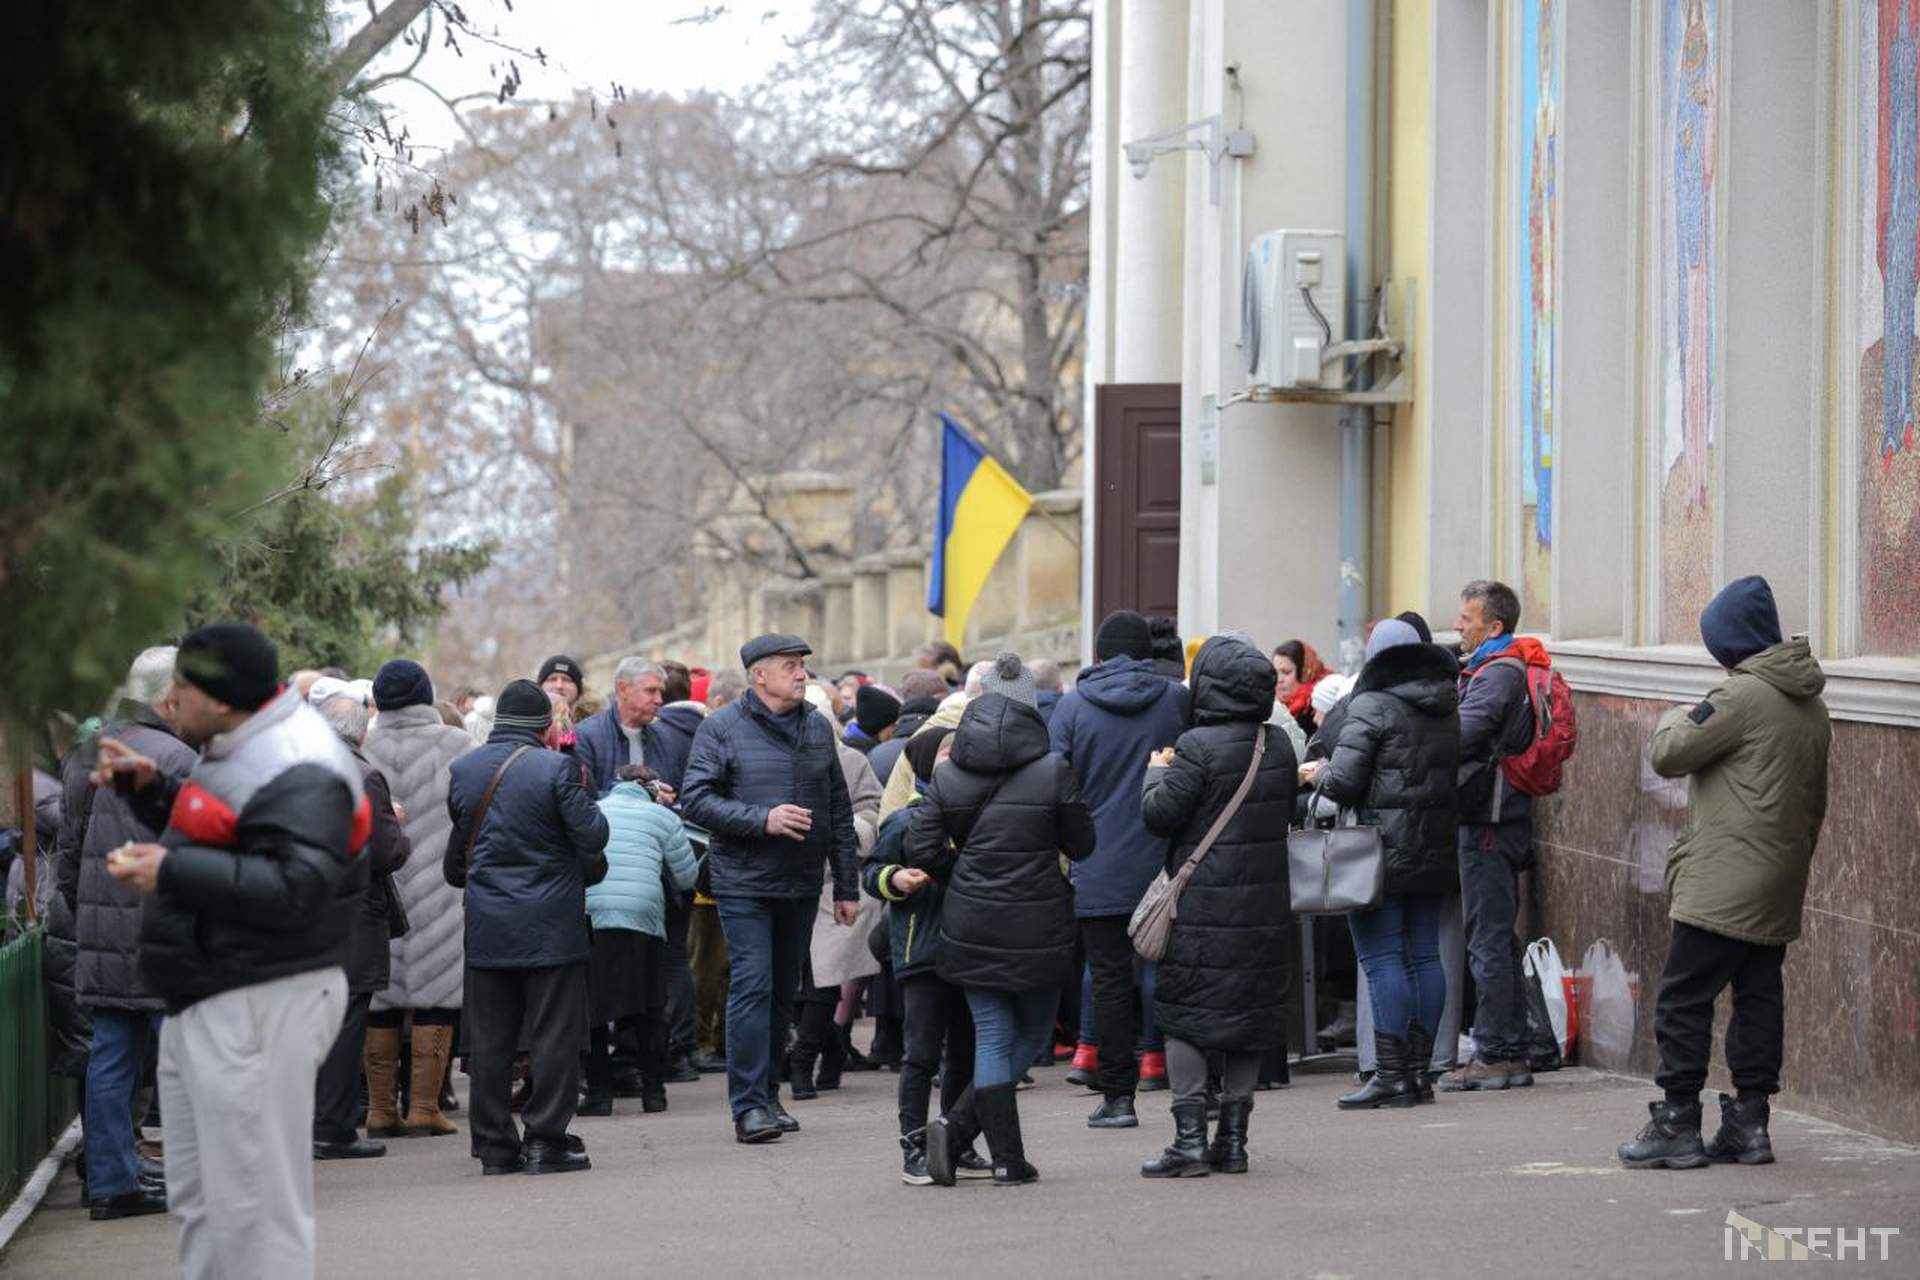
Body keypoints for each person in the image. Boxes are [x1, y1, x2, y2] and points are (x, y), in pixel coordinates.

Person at [99, 623, 363, 1279]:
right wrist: (151, 791)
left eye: (180, 688)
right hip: (219, 994)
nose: (170, 702)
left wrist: (171, 872)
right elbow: (235, 835)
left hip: (261, 997)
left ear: (216, 697)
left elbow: (298, 887)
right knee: (207, 1204)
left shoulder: (299, 758)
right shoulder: (239, 744)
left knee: (254, 1213)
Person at [1618, 576, 1831, 1170]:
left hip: (1725, 879)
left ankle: (1677, 1123)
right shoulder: (1810, 703)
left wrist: (1672, 715)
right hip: (1778, 876)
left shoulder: (1741, 697)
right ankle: (1750, 1123)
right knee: (1758, 998)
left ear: (1729, 644)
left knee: (1683, 998)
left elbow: (1670, 753)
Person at [906, 656, 1096, 1186]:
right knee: (1030, 1037)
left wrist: (961, 870)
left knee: (991, 1034)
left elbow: (922, 847)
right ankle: (971, 1135)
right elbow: (1082, 843)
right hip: (1039, 920)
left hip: (970, 919)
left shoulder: (947, 776)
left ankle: (992, 1148)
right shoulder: (1053, 770)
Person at [679, 634, 860, 1145]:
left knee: (784, 992)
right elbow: (695, 800)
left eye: (803, 665)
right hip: (743, 880)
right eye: (790, 666)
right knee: (753, 986)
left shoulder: (818, 728)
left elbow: (839, 812)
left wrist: (847, 885)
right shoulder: (721, 729)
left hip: (801, 882)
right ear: (760, 675)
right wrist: (763, 820)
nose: (802, 674)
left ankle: (769, 1093)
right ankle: (749, 1107)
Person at [1136, 635, 1298, 1177]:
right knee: (1248, 1018)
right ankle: (1233, 1141)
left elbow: (1160, 815)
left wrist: (1158, 771)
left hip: (1203, 906)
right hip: (1264, 905)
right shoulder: (1276, 746)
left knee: (1185, 1016)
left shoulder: (1196, 746)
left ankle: (1187, 1142)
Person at [445, 680, 609, 1175]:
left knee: (491, 1040)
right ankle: (545, 1140)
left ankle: (495, 1147)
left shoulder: (464, 770)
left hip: (489, 925)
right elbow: (594, 835)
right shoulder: (558, 768)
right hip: (551, 926)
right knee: (553, 1035)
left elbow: (457, 861)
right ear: (544, 726)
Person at [56, 647, 192, 1220]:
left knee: (110, 1056)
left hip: (100, 928)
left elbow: (68, 846)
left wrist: (84, 908)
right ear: (168, 697)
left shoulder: (90, 752)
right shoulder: (180, 758)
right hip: (162, 930)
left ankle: (113, 1181)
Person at [1303, 620, 1461, 1110]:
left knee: (1382, 959)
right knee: (1426, 957)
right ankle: (1419, 1074)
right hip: (1433, 849)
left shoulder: (1370, 705)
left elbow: (1346, 781)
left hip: (1377, 853)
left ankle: (1391, 1075)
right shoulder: (1445, 706)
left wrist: (1319, 773)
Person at [1048, 609, 1190, 1129]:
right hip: (1168, 863)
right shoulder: (1176, 699)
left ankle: (1118, 1097)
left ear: (1100, 653)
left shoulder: (1072, 707)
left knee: (1108, 981)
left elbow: (1055, 783)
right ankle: (1194, 1095)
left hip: (1098, 861)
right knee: (1175, 975)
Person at [862, 726, 992, 1184]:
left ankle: (956, 1140)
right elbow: (871, 872)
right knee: (920, 1054)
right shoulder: (904, 820)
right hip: (922, 949)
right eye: (945, 752)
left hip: (970, 948)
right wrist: (894, 880)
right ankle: (913, 1145)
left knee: (964, 1051)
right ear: (921, 763)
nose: (955, 758)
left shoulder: (976, 814)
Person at [362, 658, 476, 1138]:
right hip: (439, 890)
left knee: (380, 1000)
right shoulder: (457, 746)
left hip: (378, 889)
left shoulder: (361, 746)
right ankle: (426, 1106)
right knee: (438, 998)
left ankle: (380, 1110)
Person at [1440, 580, 1542, 1093]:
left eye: (1466, 617)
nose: (1458, 625)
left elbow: (1461, 736)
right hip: (1496, 819)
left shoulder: (1498, 675)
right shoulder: (1492, 669)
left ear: (1494, 626)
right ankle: (1511, 1048)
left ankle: (1498, 1053)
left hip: (1489, 821)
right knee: (1497, 936)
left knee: (1487, 940)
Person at [312, 692, 411, 1160]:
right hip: (352, 916)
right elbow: (386, 851)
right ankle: (334, 1128)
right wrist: (396, 822)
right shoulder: (363, 776)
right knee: (347, 1022)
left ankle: (312, 1122)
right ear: (361, 731)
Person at [580, 764, 698, 1116]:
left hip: (594, 913)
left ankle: (599, 1095)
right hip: (642, 916)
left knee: (594, 1012)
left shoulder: (594, 810)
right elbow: (688, 875)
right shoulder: (661, 816)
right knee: (650, 1009)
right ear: (650, 788)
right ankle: (654, 1092)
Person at [686, 668, 747, 1073]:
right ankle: (703, 1039)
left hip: (727, 867)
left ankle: (720, 1038)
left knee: (725, 962)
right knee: (706, 961)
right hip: (707, 866)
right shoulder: (711, 738)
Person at [575, 657, 674, 800]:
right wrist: (643, 795)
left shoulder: (665, 738)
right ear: (623, 689)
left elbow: (675, 794)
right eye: (651, 691)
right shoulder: (586, 736)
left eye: (660, 692)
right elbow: (580, 797)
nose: (659, 700)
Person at [1272, 640, 1328, 737]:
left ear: (1305, 673)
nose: (1279, 679)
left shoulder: (1318, 708)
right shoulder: (1272, 706)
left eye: (1286, 672)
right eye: (1275, 672)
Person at [844, 684, 901, 754]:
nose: (895, 730)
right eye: (893, 725)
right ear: (880, 725)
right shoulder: (870, 755)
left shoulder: (845, 743)